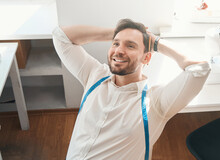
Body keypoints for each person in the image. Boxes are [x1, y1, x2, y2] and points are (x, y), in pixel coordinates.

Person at [52, 18, 211, 160]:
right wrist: (115, 33)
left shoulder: (155, 102)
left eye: (130, 45)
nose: (119, 50)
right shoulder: (95, 75)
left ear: (146, 57)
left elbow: (200, 69)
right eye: (115, 43)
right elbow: (61, 36)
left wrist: (155, 42)